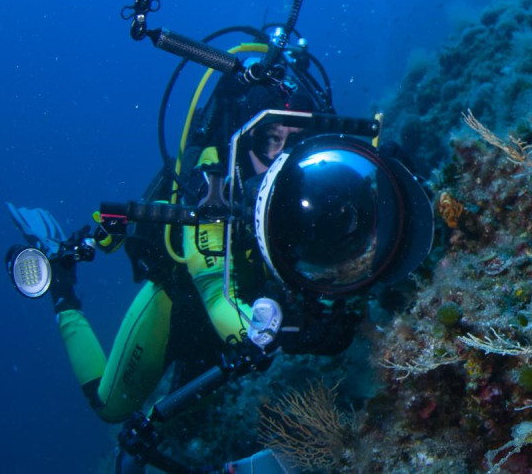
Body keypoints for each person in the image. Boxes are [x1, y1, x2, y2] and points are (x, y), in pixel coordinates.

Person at [29, 73, 361, 424]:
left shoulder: (303, 183)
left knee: (192, 413)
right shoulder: (213, 182)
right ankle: (62, 292)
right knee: (112, 408)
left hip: (241, 312)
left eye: (296, 141)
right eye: (270, 140)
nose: (282, 157)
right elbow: (217, 295)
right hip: (175, 308)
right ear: (246, 136)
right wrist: (292, 334)